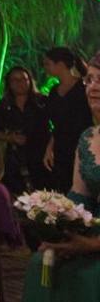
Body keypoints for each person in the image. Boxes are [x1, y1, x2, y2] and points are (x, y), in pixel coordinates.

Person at [1, 53, 100, 302]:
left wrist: (92, 246)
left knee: (92, 278)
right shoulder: (87, 139)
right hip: (89, 234)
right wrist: (57, 229)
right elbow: (79, 197)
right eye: (90, 79)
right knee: (40, 267)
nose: (94, 87)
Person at [0, 65, 49, 199]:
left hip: (41, 155)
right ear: (9, 84)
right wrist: (10, 137)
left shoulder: (42, 101)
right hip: (17, 158)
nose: (20, 83)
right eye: (15, 80)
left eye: (23, 79)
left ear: (30, 80)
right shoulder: (4, 106)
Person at [41, 47, 90, 193]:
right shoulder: (53, 91)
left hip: (83, 144)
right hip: (61, 148)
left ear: (60, 65)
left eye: (48, 64)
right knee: (63, 187)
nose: (45, 68)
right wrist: (49, 148)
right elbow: (57, 125)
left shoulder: (84, 88)